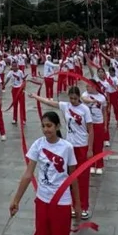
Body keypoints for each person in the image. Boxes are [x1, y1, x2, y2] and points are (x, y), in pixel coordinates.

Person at [9, 110, 81, 235]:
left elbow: (73, 178)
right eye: (43, 126)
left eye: (49, 126)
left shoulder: (67, 147)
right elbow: (28, 174)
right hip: (42, 202)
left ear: (57, 126)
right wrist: (16, 199)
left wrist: (77, 204)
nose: (46, 129)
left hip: (61, 205)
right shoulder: (38, 145)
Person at [31, 85, 96, 220]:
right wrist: (35, 96)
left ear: (79, 97)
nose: (73, 101)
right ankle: (71, 205)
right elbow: (50, 102)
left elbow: (91, 129)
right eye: (71, 98)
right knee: (69, 177)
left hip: (82, 146)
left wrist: (90, 149)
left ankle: (84, 206)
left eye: (75, 98)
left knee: (83, 178)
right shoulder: (66, 106)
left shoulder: (84, 109)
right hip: (69, 147)